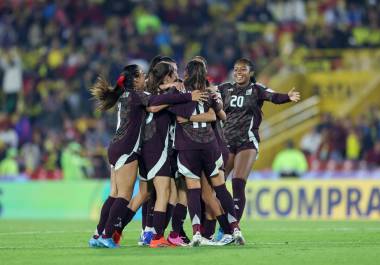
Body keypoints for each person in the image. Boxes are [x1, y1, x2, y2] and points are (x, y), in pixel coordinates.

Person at [88, 64, 205, 248]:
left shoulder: (126, 95)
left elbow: (155, 98)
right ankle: (109, 235)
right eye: (142, 75)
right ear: (135, 80)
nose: (145, 78)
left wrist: (167, 88)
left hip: (116, 147)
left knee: (115, 194)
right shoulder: (136, 96)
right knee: (125, 196)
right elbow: (153, 105)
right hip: (128, 148)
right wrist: (188, 96)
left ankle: (99, 234)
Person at [170, 60, 245, 246]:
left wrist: (188, 118)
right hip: (211, 145)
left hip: (188, 147)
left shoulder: (178, 93)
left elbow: (178, 117)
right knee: (220, 188)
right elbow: (219, 115)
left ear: (186, 73)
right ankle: (235, 228)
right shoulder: (210, 91)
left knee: (193, 190)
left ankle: (196, 233)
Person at [218, 58, 300, 223]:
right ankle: (217, 227)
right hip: (226, 142)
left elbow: (273, 96)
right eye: (236, 69)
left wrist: (288, 97)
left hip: (247, 142)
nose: (238, 73)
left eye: (243, 69)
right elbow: (206, 92)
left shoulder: (256, 89)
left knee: (237, 183)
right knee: (217, 186)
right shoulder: (224, 88)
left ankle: (233, 228)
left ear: (251, 73)